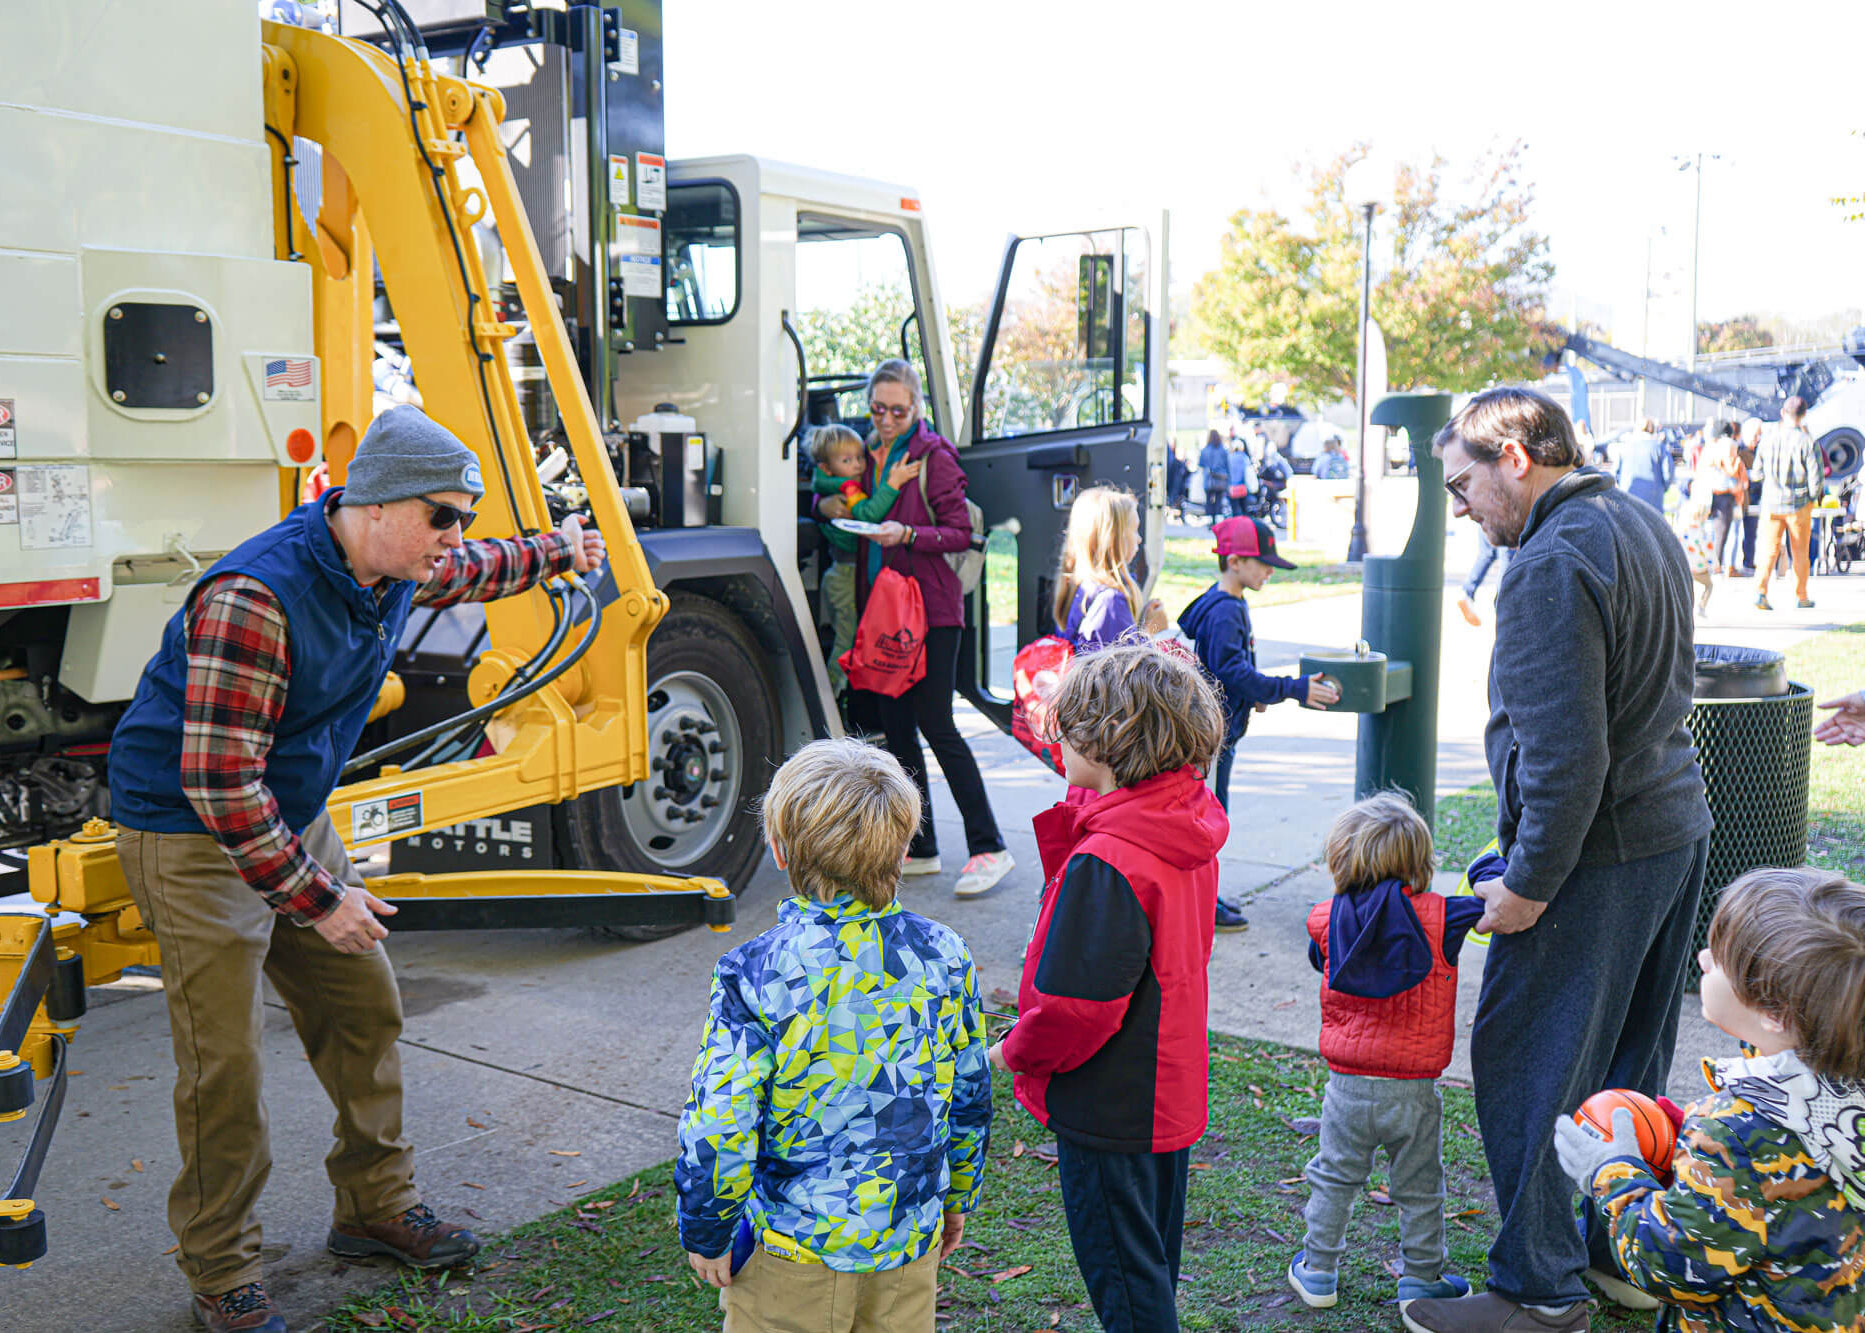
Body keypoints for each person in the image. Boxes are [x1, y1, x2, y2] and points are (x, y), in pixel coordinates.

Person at [106, 406, 608, 1333]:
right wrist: (319, 897)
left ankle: (374, 1207)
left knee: (363, 1002)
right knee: (225, 1066)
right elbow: (218, 780)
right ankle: (222, 1272)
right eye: (442, 516)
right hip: (191, 830)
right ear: (374, 505)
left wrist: (555, 549)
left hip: (283, 809)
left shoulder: (395, 560)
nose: (453, 536)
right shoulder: (258, 595)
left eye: (463, 514)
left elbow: (473, 567)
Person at [1406, 388, 1711, 1333]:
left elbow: (1565, 756)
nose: (1460, 507)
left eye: (1463, 484)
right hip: (1671, 831)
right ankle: (1612, 1253)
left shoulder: (1546, 562)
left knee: (1528, 1058)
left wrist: (1530, 883)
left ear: (1514, 454)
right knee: (1625, 1059)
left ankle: (1537, 1287)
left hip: (1598, 853)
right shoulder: (1641, 519)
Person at [676, 739, 990, 1330]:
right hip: (906, 1246)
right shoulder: (944, 955)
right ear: (901, 847)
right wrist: (956, 1198)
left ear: (779, 850)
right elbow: (970, 1095)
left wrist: (708, 1228)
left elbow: (722, 1119)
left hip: (790, 1254)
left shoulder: (756, 972)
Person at [987, 644, 1229, 1333]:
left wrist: (1010, 1052)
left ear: (1113, 741)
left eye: (1067, 726)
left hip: (1111, 1105)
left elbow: (1075, 1008)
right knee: (1149, 1262)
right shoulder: (1179, 823)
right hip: (1165, 1089)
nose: (1052, 737)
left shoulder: (1111, 858)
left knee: (1126, 1285)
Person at [1553, 867, 1863, 1333]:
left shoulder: (1737, 1134)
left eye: (1720, 959)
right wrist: (1690, 1144)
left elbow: (1670, 1267)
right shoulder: (1842, 1082)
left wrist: (1611, 1172)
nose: (1702, 958)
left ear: (1775, 1013)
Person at [818, 358, 1014, 899]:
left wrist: (906, 534)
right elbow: (827, 486)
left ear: (916, 408)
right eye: (877, 408)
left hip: (932, 611)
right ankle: (921, 846)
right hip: (884, 614)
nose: (884, 418)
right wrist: (828, 502)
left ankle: (989, 846)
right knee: (896, 727)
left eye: (897, 410)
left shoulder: (935, 458)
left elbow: (958, 534)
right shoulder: (866, 456)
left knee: (936, 723)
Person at [1286, 792, 1482, 1315]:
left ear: (1341, 860)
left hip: (1346, 1086)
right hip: (1414, 1092)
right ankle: (1421, 1281)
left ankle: (1319, 1270)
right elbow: (1491, 912)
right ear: (1420, 862)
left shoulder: (1325, 921)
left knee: (1334, 1176)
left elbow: (1318, 961)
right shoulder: (1446, 918)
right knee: (1420, 1188)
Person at [1178, 517, 1340, 932]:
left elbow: (1226, 668)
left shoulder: (1221, 602)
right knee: (1207, 820)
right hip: (1212, 739)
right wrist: (1292, 688)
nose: (1269, 571)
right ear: (1234, 561)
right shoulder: (1226, 611)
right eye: (1262, 563)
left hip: (1219, 731)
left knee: (1209, 816)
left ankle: (1205, 896)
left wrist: (1251, 695)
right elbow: (1230, 669)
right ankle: (1200, 902)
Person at [808, 424, 919, 699]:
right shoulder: (848, 487)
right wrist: (893, 484)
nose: (858, 465)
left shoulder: (830, 483)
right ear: (827, 467)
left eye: (860, 458)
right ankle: (829, 697)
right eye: (847, 461)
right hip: (846, 576)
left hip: (840, 574)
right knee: (846, 642)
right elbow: (869, 515)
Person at [1052, 486, 1166, 653]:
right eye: (1134, 530)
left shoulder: (1078, 587)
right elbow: (1128, 671)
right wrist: (1148, 631)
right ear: (1115, 539)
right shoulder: (1112, 602)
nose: (1139, 539)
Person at [1752, 396, 1826, 610]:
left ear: (1783, 413)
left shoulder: (1768, 439)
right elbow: (1816, 478)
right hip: (1798, 505)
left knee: (1768, 550)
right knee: (1800, 552)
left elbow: (1756, 474)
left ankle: (1760, 592)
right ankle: (1801, 596)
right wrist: (1812, 499)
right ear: (1803, 415)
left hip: (1771, 504)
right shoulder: (1808, 442)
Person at [1700, 421, 1747, 576]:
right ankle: (1722, 566)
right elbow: (1736, 476)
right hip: (1727, 494)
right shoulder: (1731, 449)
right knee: (1725, 532)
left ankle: (1711, 563)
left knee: (1711, 531)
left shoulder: (1710, 449)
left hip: (1709, 494)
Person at [1612, 417, 1675, 511]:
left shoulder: (1624, 447)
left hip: (1629, 496)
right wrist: (1663, 488)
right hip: (1653, 499)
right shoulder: (1659, 448)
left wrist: (1622, 486)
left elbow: (1615, 473)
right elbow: (1668, 473)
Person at [1674, 491, 1716, 616]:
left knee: (1686, 587)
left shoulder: (1681, 531)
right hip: (1699, 567)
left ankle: (1683, 607)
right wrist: (1714, 564)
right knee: (1709, 585)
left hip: (1685, 566)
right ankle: (1701, 606)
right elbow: (1708, 551)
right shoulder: (1701, 533)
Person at [1454, 533, 1510, 627]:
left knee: (1487, 554)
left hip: (1485, 520)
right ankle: (1503, 606)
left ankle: (1467, 592)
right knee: (1507, 557)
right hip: (1504, 521)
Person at [1737, 417, 1766, 572]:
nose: (1758, 438)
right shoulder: (1738, 449)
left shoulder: (1760, 450)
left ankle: (1748, 561)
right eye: (1756, 435)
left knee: (1751, 532)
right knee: (1734, 532)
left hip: (1754, 496)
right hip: (1740, 496)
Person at [1199, 428, 1230, 522]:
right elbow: (1227, 464)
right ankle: (1217, 519)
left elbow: (1201, 464)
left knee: (1209, 500)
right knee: (1218, 501)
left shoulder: (1205, 450)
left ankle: (1210, 520)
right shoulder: (1223, 450)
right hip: (1220, 479)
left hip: (1209, 479)